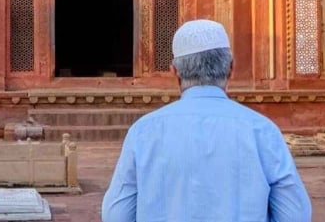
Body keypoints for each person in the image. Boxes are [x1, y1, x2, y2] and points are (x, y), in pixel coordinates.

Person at [101, 19, 312, 222]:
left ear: (174, 72)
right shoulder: (262, 131)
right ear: (231, 68)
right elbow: (295, 215)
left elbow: (116, 215)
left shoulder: (144, 132)